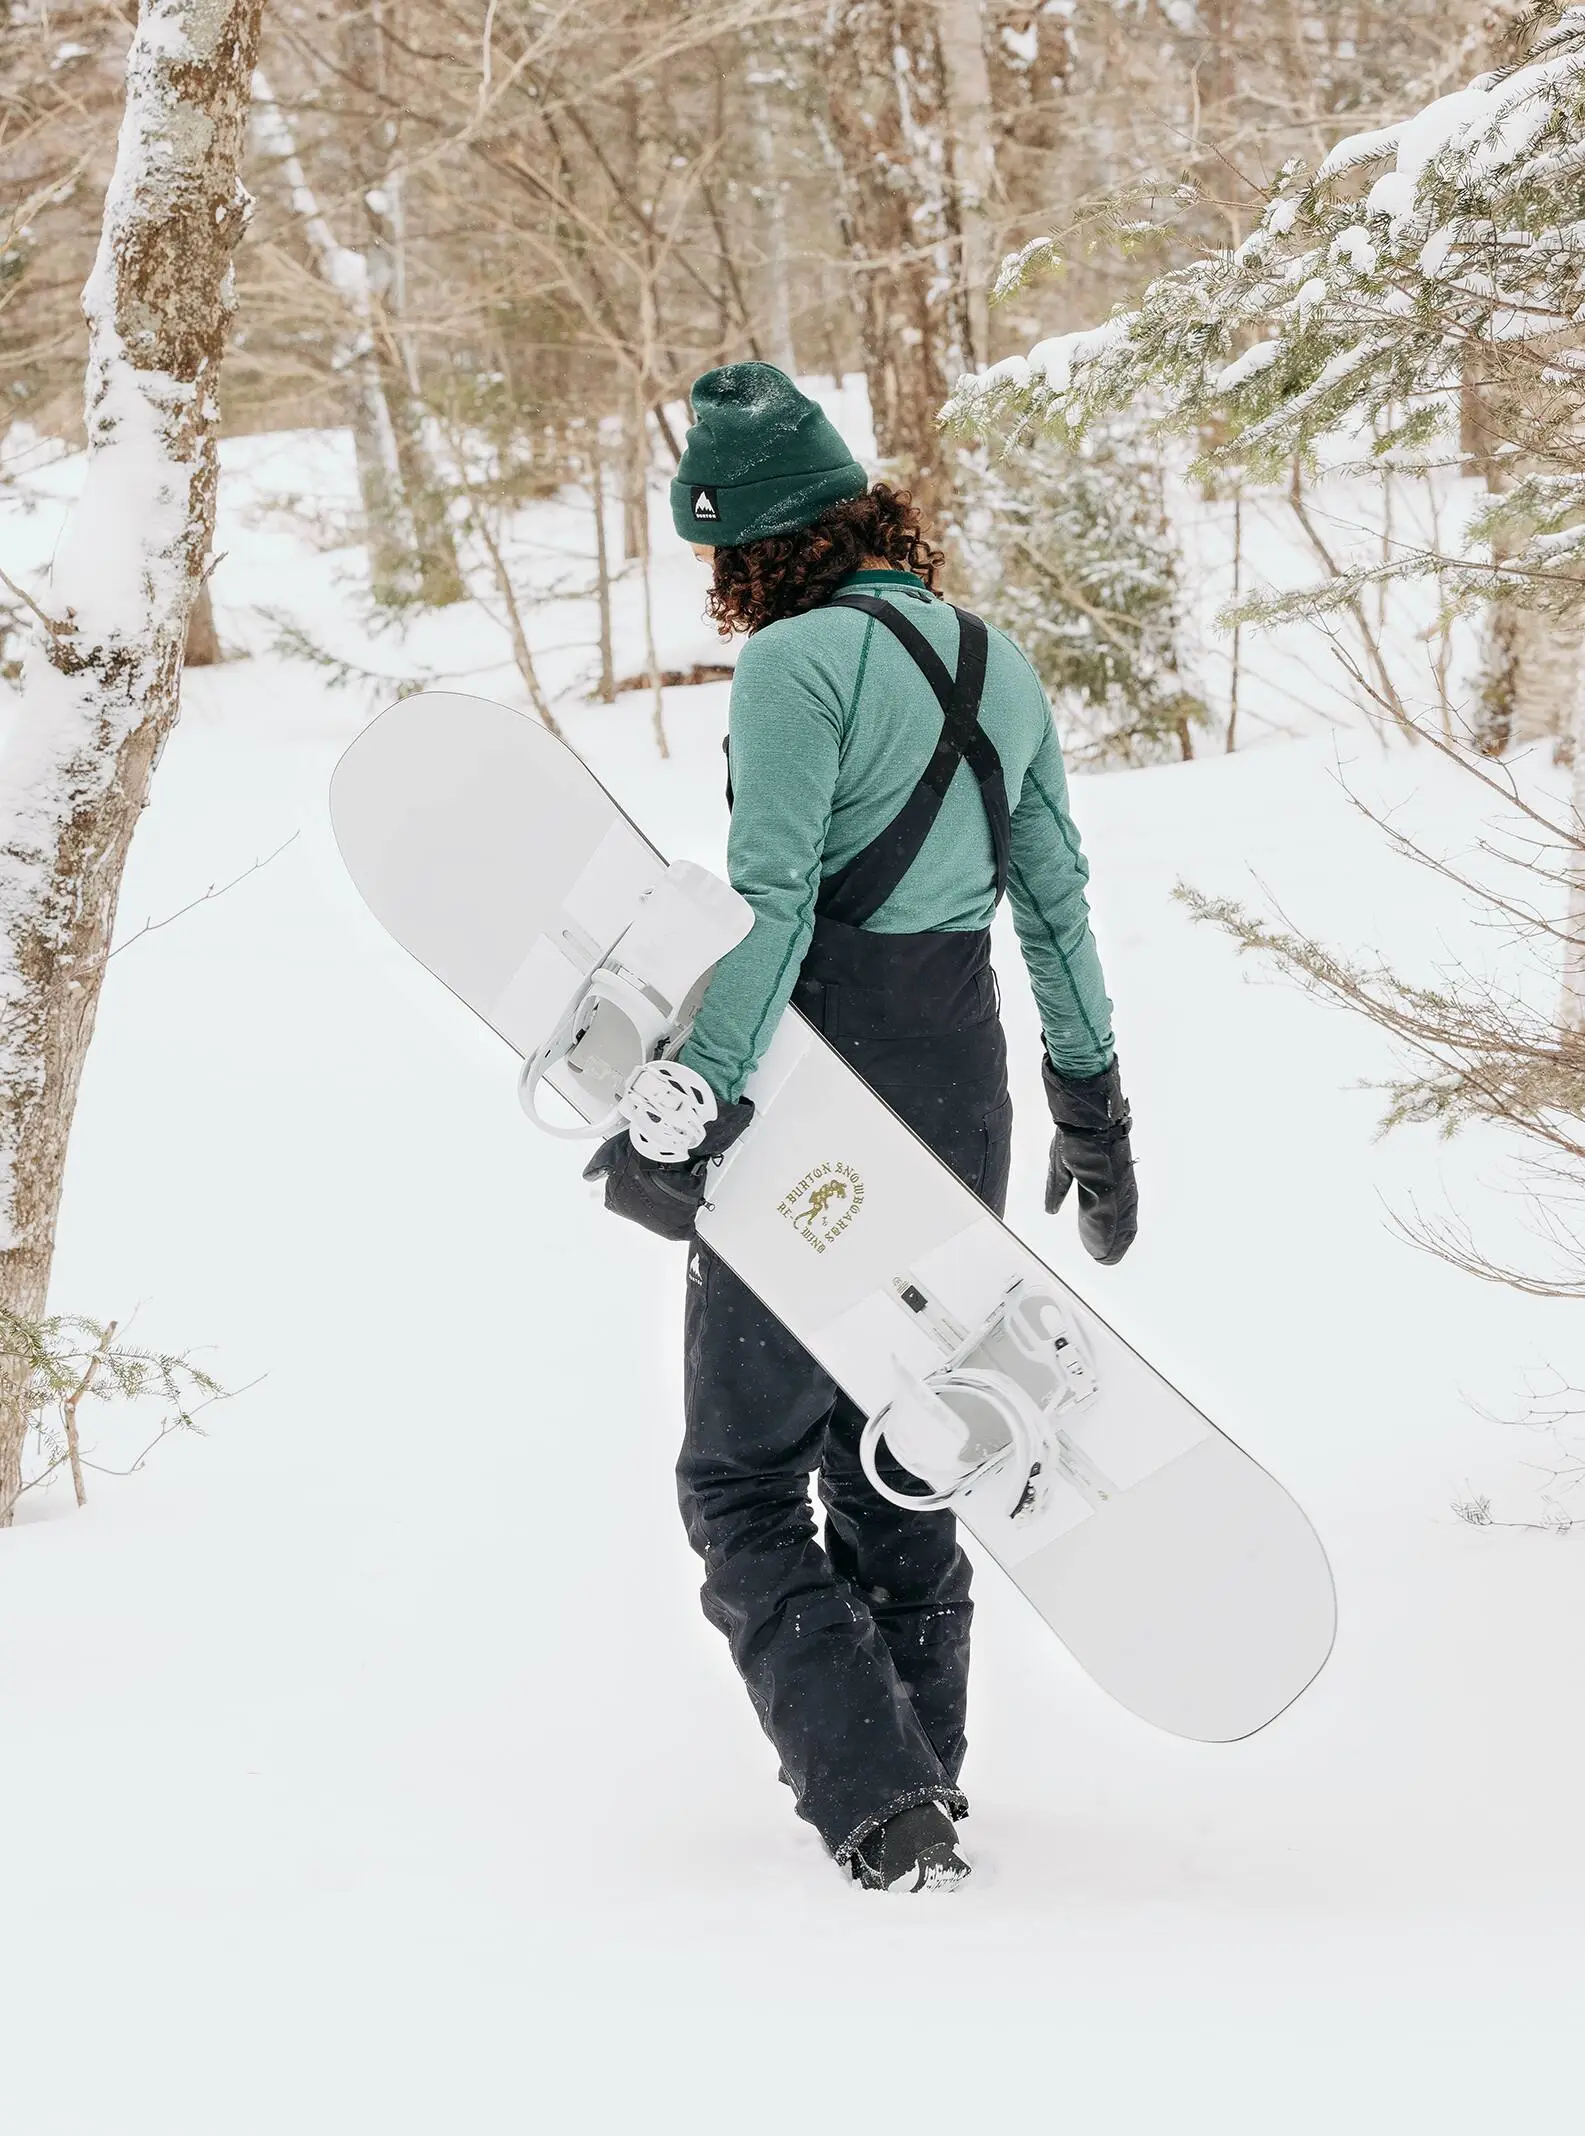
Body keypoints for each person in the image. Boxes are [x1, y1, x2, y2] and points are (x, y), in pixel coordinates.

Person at [588, 363, 1136, 1894]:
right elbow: (1055, 903)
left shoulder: (793, 664)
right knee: (896, 1439)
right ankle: (923, 1776)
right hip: (961, 1076)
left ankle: (881, 1806)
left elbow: (769, 904)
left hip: (817, 1089)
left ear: (753, 544)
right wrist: (1092, 1105)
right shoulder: (995, 658)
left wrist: (697, 1100)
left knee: (741, 1479)